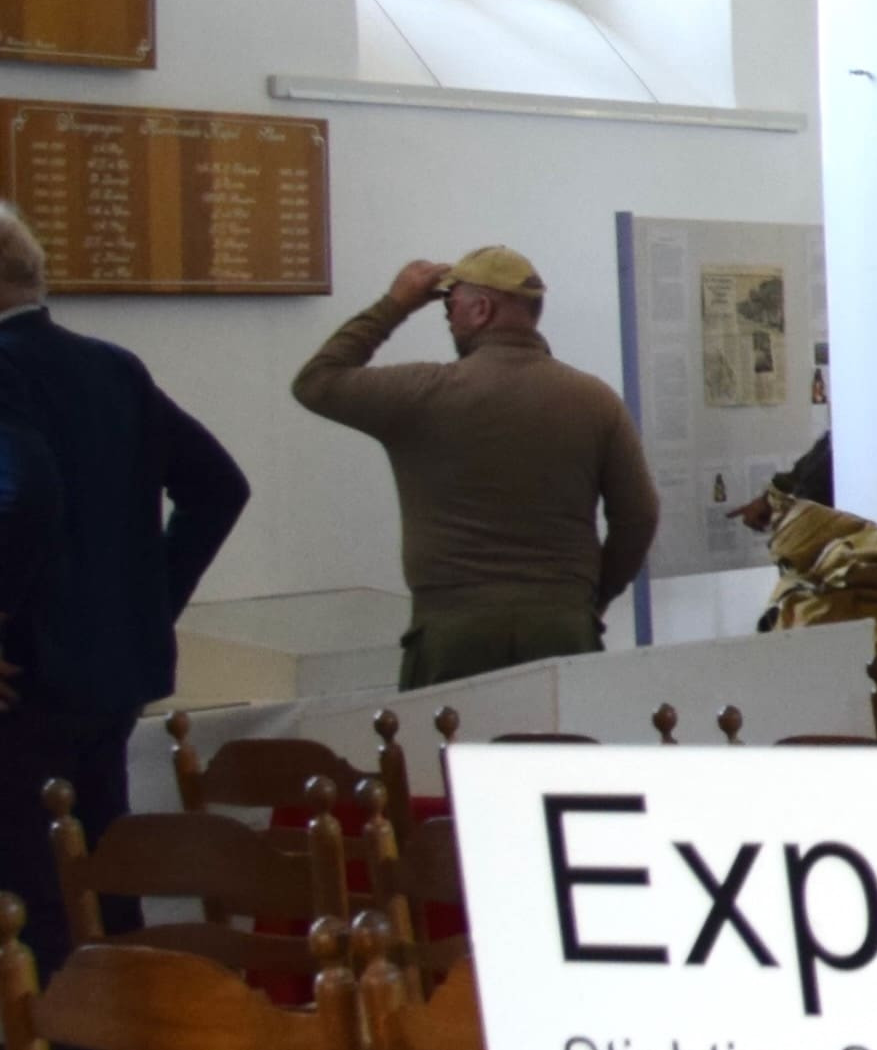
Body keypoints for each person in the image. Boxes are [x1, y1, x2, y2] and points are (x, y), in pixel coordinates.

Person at [0, 201, 253, 968]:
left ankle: (66, 1046)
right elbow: (218, 485)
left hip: (23, 681)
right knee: (107, 875)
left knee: (34, 898)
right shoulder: (113, 366)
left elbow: (26, 490)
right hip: (112, 678)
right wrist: (147, 606)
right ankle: (138, 1034)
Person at [293, 244, 658, 686]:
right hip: (562, 628)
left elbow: (316, 382)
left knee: (452, 734)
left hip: (452, 633)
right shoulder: (595, 400)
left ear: (482, 309)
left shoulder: (423, 393)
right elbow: (639, 517)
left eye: (450, 305)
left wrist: (396, 304)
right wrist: (592, 600)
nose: (447, 317)